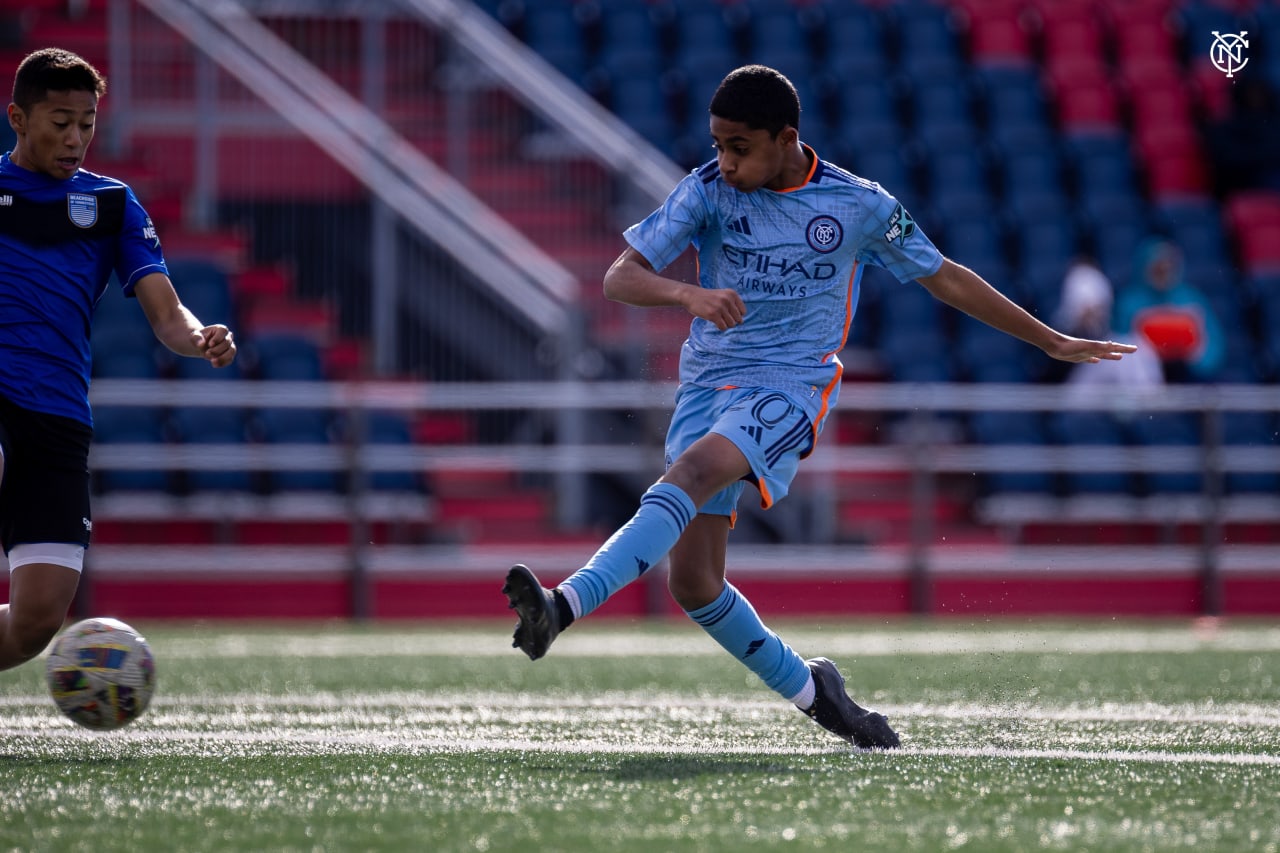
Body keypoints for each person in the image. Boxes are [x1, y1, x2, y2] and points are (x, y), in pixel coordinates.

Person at [503, 65, 1135, 749]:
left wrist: (1048, 339)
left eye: (739, 147)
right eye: (717, 144)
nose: (725, 161)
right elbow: (620, 276)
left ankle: (561, 608)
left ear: (786, 138)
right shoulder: (708, 190)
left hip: (790, 388)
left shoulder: (858, 205)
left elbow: (944, 274)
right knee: (693, 583)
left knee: (688, 475)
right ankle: (822, 698)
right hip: (708, 384)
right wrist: (688, 295)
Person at [0, 48, 236, 672]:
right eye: (60, 121)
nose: (76, 137)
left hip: (56, 419)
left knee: (34, 624)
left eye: (87, 122)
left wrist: (199, 336)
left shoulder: (112, 205)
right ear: (18, 119)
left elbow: (166, 314)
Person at [1113, 239, 1224, 383]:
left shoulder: (1191, 299)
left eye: (1168, 268)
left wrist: (1196, 361)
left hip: (1188, 376)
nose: (1164, 274)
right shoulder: (1129, 302)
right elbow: (1121, 344)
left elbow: (1212, 344)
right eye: (1158, 269)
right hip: (1144, 379)